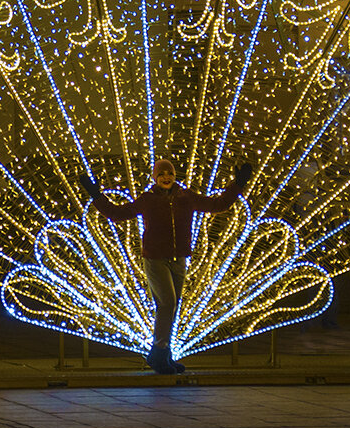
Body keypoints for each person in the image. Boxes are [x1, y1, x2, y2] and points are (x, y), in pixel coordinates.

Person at [79, 159, 252, 374]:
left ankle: (164, 353)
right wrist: (96, 195)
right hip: (155, 259)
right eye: (161, 174)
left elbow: (218, 205)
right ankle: (159, 354)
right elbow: (117, 214)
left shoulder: (185, 197)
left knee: (171, 307)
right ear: (155, 177)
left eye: (169, 173)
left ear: (174, 175)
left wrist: (238, 185)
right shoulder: (148, 200)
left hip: (178, 259)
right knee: (167, 303)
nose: (166, 177)